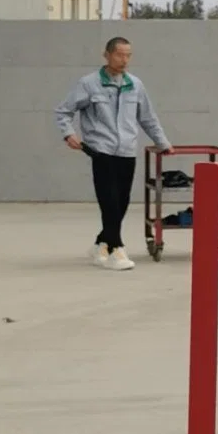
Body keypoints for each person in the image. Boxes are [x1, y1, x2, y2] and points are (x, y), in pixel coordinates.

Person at [55, 34, 169, 270]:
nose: (124, 60)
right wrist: (69, 134)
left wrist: (163, 143)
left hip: (127, 151)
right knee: (109, 201)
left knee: (122, 202)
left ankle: (101, 244)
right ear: (106, 55)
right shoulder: (89, 84)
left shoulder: (135, 85)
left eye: (128, 55)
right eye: (119, 54)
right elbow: (64, 111)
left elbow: (147, 118)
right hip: (101, 150)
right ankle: (117, 250)